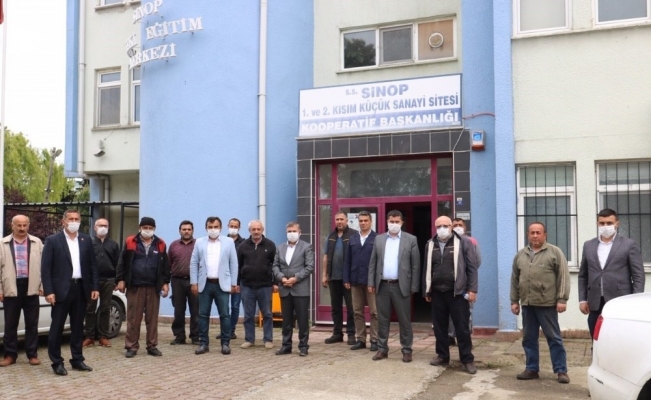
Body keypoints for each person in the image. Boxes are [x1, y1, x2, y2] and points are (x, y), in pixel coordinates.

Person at [510, 221, 570, 384]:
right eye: (532, 233)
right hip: (528, 305)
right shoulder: (520, 255)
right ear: (528, 235)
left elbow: (563, 276)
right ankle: (531, 368)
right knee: (529, 338)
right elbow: (515, 279)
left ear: (545, 235)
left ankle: (561, 371)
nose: (535, 236)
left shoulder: (554, 252)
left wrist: (562, 299)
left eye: (538, 232)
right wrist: (514, 301)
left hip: (547, 305)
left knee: (554, 338)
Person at [41, 209, 99, 376]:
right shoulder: (53, 240)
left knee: (78, 327)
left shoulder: (86, 240)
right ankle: (57, 362)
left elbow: (93, 266)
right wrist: (49, 291)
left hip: (81, 288)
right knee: (57, 327)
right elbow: (46, 268)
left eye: (76, 219)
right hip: (61, 291)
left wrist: (95, 287)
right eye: (71, 219)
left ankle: (77, 359)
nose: (74, 222)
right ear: (63, 222)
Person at [424, 216, 479, 374]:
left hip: (458, 292)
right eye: (439, 226)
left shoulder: (464, 242)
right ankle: (442, 356)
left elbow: (472, 268)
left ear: (451, 227)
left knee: (462, 327)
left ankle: (467, 359)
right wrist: (427, 290)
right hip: (437, 292)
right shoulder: (430, 244)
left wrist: (472, 289)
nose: (442, 228)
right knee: (439, 327)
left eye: (445, 225)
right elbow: (427, 268)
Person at [578, 208, 645, 338]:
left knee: (619, 338)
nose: (605, 226)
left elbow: (638, 275)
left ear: (617, 224)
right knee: (596, 338)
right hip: (595, 302)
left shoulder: (629, 244)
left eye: (609, 223)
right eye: (602, 223)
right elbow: (583, 275)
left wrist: (635, 300)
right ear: (597, 224)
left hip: (620, 301)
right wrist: (582, 300)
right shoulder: (588, 245)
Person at [368, 210, 420, 363]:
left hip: (401, 286)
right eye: (392, 221)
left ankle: (407, 350)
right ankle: (382, 349)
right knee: (382, 319)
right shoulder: (379, 239)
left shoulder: (411, 239)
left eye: (397, 222)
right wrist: (371, 283)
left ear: (402, 222)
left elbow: (415, 265)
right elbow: (373, 263)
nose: (394, 224)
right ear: (387, 222)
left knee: (404, 320)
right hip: (382, 285)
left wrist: (414, 286)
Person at [116, 217, 170, 358]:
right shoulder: (130, 241)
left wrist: (165, 282)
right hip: (135, 286)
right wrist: (120, 279)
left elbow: (165, 266)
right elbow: (122, 262)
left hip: (153, 287)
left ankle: (152, 346)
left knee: (152, 319)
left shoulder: (161, 244)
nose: (147, 230)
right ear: (139, 228)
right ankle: (131, 346)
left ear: (154, 229)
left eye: (150, 228)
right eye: (145, 227)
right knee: (133, 318)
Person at [0, 215, 44, 367]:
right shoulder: (2, 243)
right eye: (19, 225)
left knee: (32, 323)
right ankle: (10, 355)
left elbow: (44, 266)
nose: (22, 228)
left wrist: (42, 286)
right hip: (11, 286)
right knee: (10, 324)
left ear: (29, 225)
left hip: (31, 285)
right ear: (12, 225)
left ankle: (32, 354)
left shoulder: (37, 242)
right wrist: (0, 289)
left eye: (25, 225)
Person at [190, 216, 238, 356]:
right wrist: (194, 282)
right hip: (205, 284)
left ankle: (225, 343)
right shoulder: (199, 242)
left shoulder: (229, 242)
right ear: (206, 228)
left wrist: (233, 283)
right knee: (203, 315)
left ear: (221, 228)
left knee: (225, 315)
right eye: (210, 227)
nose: (213, 229)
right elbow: (193, 263)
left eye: (215, 227)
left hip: (222, 284)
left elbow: (234, 263)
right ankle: (203, 343)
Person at [272, 222, 315, 356]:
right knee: (286, 320)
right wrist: (281, 278)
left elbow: (310, 266)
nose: (291, 233)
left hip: (300, 288)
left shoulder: (306, 247)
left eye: (294, 231)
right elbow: (275, 266)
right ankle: (286, 345)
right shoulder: (280, 248)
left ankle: (303, 346)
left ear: (299, 232)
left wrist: (296, 278)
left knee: (302, 320)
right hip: (285, 288)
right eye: (289, 231)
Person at [237, 220, 276, 349]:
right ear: (249, 231)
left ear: (262, 230)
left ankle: (268, 339)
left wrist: (275, 283)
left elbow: (275, 265)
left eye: (258, 229)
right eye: (253, 229)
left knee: (267, 314)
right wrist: (237, 283)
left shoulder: (270, 245)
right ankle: (249, 339)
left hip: (265, 286)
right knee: (248, 315)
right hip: (247, 286)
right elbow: (238, 266)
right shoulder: (243, 246)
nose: (256, 231)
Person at [343, 210, 378, 351]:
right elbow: (347, 260)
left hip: (371, 282)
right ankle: (361, 339)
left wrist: (375, 280)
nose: (363, 223)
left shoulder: (377, 238)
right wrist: (346, 278)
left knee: (375, 312)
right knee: (357, 312)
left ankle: (374, 340)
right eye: (361, 221)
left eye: (366, 221)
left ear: (371, 222)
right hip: (355, 280)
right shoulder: (353, 238)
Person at [83, 218, 120, 348]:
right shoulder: (88, 243)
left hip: (108, 280)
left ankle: (103, 336)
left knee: (105, 308)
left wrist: (117, 280)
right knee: (90, 309)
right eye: (100, 225)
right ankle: (89, 337)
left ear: (108, 227)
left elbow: (118, 263)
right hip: (92, 281)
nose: (103, 228)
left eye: (105, 225)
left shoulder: (113, 245)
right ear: (95, 227)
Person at [322, 210, 357, 345]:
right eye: (337, 219)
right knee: (335, 307)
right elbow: (326, 256)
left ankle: (351, 334)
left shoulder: (353, 235)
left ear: (347, 220)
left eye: (342, 219)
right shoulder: (331, 236)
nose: (339, 222)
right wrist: (324, 275)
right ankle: (337, 333)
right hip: (333, 278)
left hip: (348, 279)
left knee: (351, 308)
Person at [447, 217, 482, 346]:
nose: (457, 227)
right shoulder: (448, 242)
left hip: (466, 284)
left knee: (467, 312)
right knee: (450, 312)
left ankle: (466, 339)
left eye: (460, 225)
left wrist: (466, 276)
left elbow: (477, 262)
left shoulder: (471, 241)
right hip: (451, 284)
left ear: (465, 227)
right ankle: (450, 335)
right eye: (455, 225)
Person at [168, 220, 199, 345]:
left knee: (196, 310)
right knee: (179, 310)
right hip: (177, 281)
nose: (186, 231)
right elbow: (169, 263)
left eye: (189, 229)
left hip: (194, 282)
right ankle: (179, 336)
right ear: (179, 231)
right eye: (184, 229)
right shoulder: (173, 245)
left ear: (192, 231)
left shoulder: (198, 244)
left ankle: (195, 336)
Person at [226, 217, 245, 340]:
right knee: (224, 307)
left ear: (239, 228)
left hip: (238, 281)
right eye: (231, 226)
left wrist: (238, 282)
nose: (233, 228)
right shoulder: (222, 241)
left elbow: (243, 264)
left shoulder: (244, 243)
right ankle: (225, 329)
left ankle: (231, 330)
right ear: (227, 226)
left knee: (235, 306)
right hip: (223, 280)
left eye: (235, 226)